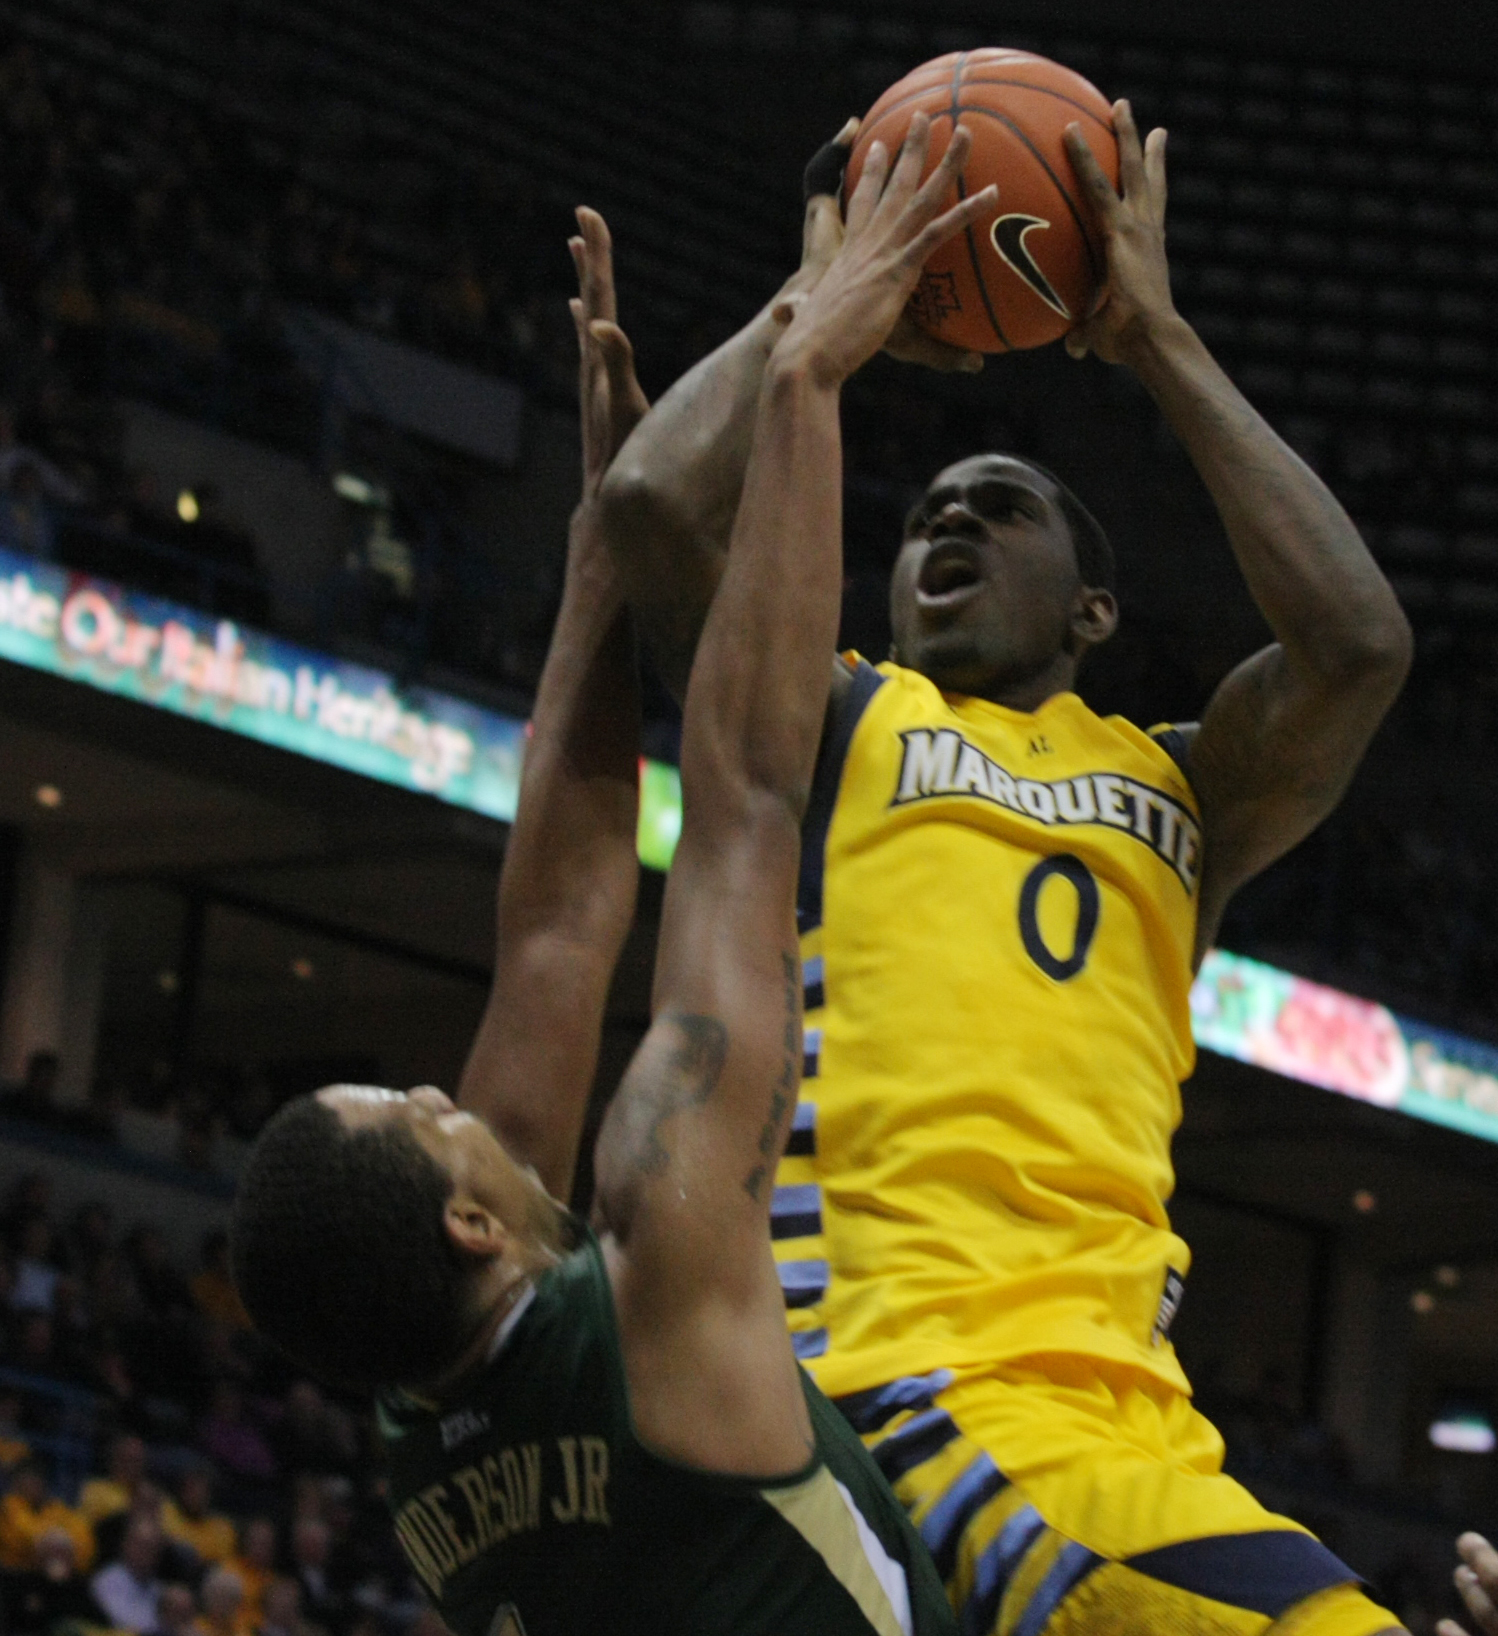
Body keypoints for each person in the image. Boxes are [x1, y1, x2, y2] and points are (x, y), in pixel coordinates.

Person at [597, 103, 1414, 1636]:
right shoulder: (836, 717)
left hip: (1132, 1420)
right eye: (922, 517)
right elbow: (647, 506)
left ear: (1094, 609)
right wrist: (815, 300)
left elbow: (1357, 645)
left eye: (1000, 505)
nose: (949, 519)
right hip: (908, 1382)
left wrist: (1155, 339)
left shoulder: (1184, 784)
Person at [230, 126, 996, 1635]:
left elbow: (559, 931)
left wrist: (601, 549)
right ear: (467, 1224)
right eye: (420, 1114)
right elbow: (746, 811)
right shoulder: (662, 1282)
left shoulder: (422, 1420)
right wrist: (807, 374)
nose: (443, 1093)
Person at [0, 1462, 95, 1572]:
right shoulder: (7, 1507)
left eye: (35, 1480)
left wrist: (64, 1546)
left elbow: (84, 1540)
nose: (32, 1486)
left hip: (59, 1571)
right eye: (26, 1481)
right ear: (16, 1485)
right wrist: (55, 1538)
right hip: (16, 1573)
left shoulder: (56, 1508)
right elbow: (25, 1538)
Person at [91, 1514, 165, 1633]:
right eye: (142, 1545)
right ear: (126, 1545)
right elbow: (124, 1623)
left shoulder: (157, 1588)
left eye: (153, 1547)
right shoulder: (106, 1581)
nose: (147, 1552)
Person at [162, 1468, 236, 1569]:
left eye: (201, 1490)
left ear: (209, 1494)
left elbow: (223, 1565)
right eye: (190, 1489)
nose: (195, 1495)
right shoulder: (166, 1512)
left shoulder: (222, 1528)